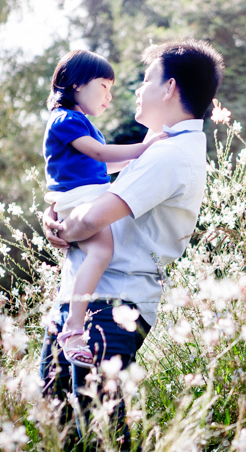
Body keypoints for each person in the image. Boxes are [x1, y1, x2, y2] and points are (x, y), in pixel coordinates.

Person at [39, 39, 224, 411]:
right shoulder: (160, 147)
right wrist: (55, 215)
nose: (138, 90)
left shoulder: (170, 154)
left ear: (169, 87)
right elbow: (88, 189)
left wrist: (60, 228)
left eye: (146, 79)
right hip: (85, 300)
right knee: (57, 425)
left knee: (99, 429)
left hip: (111, 306)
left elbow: (92, 218)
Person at [41, 49, 168, 369]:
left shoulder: (80, 123)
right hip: (79, 199)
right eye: (103, 86)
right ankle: (73, 328)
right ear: (76, 84)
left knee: (99, 252)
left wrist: (140, 159)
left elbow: (105, 165)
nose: (109, 96)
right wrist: (144, 148)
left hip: (84, 196)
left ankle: (73, 321)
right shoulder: (66, 120)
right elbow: (100, 154)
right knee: (101, 251)